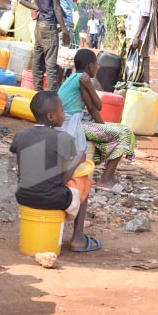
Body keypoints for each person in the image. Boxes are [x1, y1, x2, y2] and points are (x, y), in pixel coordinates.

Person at [10, 91, 101, 253]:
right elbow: (64, 178)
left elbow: (24, 166)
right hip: (51, 199)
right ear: (51, 116)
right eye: (62, 111)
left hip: (23, 196)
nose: (64, 115)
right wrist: (78, 159)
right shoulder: (64, 138)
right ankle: (78, 238)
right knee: (84, 182)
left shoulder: (20, 135)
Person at [58, 50, 136, 189]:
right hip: (70, 124)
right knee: (124, 133)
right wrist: (105, 129)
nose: (98, 68)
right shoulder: (83, 80)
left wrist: (104, 128)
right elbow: (96, 107)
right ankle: (106, 180)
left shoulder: (74, 77)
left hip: (71, 121)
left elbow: (93, 109)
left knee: (119, 129)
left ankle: (108, 175)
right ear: (90, 66)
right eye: (96, 65)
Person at [20, 0, 70, 92]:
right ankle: (50, 97)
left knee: (37, 62)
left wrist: (38, 7)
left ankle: (37, 93)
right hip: (49, 27)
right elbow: (56, 7)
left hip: (39, 27)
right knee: (51, 65)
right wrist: (64, 30)